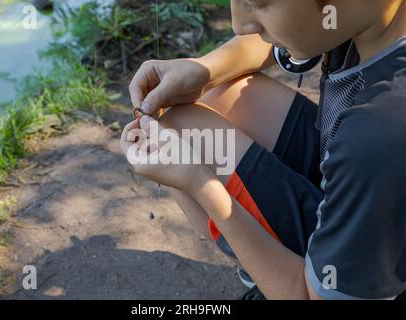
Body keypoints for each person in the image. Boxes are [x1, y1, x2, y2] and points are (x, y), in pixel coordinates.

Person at [121, 0, 406, 299]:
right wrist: (204, 71)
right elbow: (273, 46)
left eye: (256, 3)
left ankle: (273, 270)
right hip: (364, 181)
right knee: (201, 111)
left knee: (188, 141)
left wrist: (198, 181)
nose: (238, 24)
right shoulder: (365, 17)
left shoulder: (378, 139)